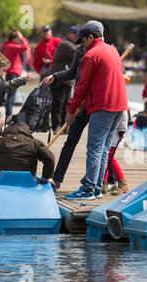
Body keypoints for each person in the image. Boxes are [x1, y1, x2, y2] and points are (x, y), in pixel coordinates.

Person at [64, 23, 127, 200]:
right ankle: (98, 187)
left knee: (94, 148)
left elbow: (81, 86)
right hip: (119, 105)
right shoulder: (112, 50)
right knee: (104, 148)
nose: (82, 45)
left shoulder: (91, 55)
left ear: (91, 37)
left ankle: (89, 188)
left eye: (83, 41)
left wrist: (71, 109)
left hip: (103, 105)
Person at [39, 20, 104, 192]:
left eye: (84, 39)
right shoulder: (81, 50)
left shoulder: (106, 50)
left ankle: (107, 181)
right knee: (70, 141)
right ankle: (57, 179)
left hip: (99, 103)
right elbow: (73, 72)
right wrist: (55, 76)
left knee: (100, 145)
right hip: (82, 103)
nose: (82, 43)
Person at [0, 122, 55, 193]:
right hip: (27, 184)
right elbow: (50, 158)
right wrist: (46, 178)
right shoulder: (35, 143)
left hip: (1, 184)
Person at [43, 26, 78, 133]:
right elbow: (79, 53)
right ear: (70, 34)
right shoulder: (65, 44)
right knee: (58, 104)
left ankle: (64, 127)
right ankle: (56, 127)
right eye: (76, 34)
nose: (78, 37)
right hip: (59, 79)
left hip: (67, 80)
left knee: (66, 105)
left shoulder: (71, 43)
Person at [1, 29, 29, 122]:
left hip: (10, 72)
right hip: (13, 72)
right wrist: (22, 37)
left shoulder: (7, 45)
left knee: (10, 95)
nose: (18, 40)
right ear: (14, 38)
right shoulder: (11, 46)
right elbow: (25, 47)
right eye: (17, 38)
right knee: (11, 96)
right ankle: (9, 116)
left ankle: (8, 116)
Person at [102, 110, 129, 195]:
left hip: (115, 135)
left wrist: (122, 129)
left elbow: (124, 115)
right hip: (109, 133)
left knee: (109, 157)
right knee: (106, 158)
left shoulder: (121, 104)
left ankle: (122, 182)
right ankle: (104, 183)